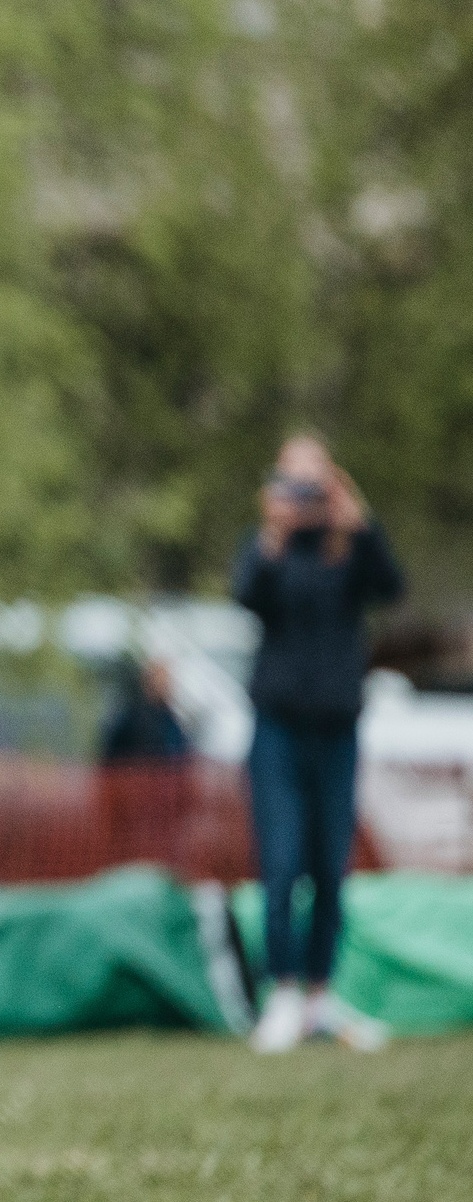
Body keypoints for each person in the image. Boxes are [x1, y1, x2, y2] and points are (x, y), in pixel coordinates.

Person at [232, 433, 406, 1054]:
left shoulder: (350, 547)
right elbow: (245, 596)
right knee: (280, 863)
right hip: (278, 727)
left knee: (332, 866)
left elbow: (391, 588)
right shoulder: (269, 548)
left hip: (337, 727)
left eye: (315, 484)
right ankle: (281, 992)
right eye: (293, 483)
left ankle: (320, 996)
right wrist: (272, 534)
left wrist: (361, 524)